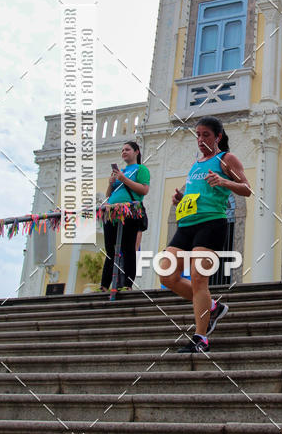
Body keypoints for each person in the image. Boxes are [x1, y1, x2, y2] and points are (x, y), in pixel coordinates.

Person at [159, 116, 251, 353]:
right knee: (166, 275)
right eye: (197, 135)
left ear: (218, 137)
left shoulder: (226, 158)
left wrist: (223, 181)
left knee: (200, 279)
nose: (200, 139)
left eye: (206, 135)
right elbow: (194, 191)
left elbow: (246, 188)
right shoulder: (196, 163)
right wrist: (180, 198)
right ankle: (212, 306)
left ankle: (200, 338)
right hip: (186, 225)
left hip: (211, 223)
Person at [100, 141, 150, 292]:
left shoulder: (141, 169)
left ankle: (127, 285)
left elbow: (144, 190)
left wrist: (123, 179)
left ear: (136, 152)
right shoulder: (120, 171)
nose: (124, 152)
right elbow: (109, 195)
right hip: (112, 212)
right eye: (122, 150)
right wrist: (111, 183)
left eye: (127, 149)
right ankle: (104, 285)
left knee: (128, 249)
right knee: (110, 250)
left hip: (130, 212)